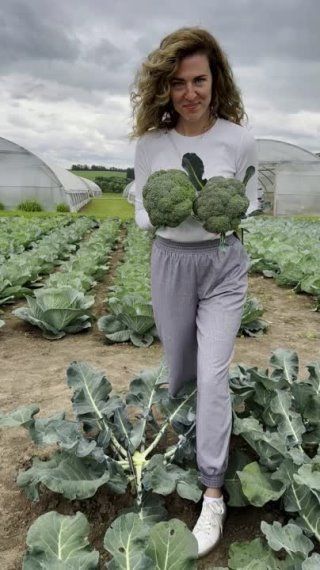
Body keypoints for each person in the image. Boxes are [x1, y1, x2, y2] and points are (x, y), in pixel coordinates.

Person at [129, 26, 259, 558]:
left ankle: (211, 489)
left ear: (215, 80)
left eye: (199, 80)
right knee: (180, 370)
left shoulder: (237, 138)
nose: (190, 92)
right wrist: (168, 210)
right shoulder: (152, 145)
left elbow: (248, 201)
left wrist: (214, 208)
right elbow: (140, 207)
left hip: (224, 265)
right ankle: (187, 442)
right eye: (179, 82)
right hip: (172, 264)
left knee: (212, 375)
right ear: (165, 87)